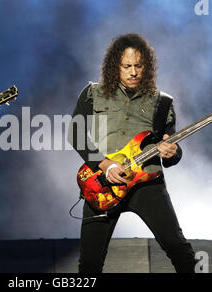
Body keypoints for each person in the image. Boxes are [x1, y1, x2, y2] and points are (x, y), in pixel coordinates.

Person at [69, 33, 197, 273]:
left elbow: (172, 150)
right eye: (126, 66)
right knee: (89, 264)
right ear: (114, 66)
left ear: (146, 67)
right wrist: (105, 165)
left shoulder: (163, 102)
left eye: (138, 66)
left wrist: (172, 153)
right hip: (102, 185)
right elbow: (75, 136)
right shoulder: (91, 94)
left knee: (181, 253)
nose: (133, 72)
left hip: (147, 184)